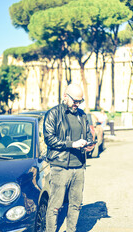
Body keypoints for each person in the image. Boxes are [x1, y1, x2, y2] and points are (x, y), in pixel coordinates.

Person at [43, 83, 95, 232]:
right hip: (59, 167)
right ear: (65, 96)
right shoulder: (53, 114)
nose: (77, 104)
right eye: (75, 101)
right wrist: (72, 144)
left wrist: (89, 145)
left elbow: (87, 136)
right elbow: (49, 139)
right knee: (55, 206)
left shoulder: (82, 115)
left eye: (80, 101)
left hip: (78, 167)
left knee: (76, 204)